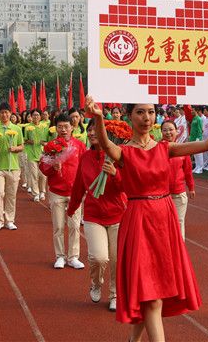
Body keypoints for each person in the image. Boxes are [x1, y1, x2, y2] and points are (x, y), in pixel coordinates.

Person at [84, 95, 208, 342]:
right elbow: (105, 145)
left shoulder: (165, 148)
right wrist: (98, 117)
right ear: (129, 116)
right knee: (151, 295)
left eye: (150, 112)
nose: (146, 118)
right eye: (139, 112)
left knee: (153, 293)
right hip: (138, 221)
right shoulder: (124, 152)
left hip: (164, 220)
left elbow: (207, 145)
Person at [68, 119, 126, 312]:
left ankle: (115, 294)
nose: (92, 133)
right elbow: (78, 186)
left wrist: (115, 174)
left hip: (118, 213)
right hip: (93, 214)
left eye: (95, 130)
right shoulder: (84, 158)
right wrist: (72, 208)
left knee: (117, 258)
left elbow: (127, 186)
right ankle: (96, 282)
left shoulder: (117, 155)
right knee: (99, 257)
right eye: (89, 130)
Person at [39, 113, 87, 270]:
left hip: (74, 192)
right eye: (60, 127)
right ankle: (60, 256)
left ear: (72, 127)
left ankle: (73, 257)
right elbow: (43, 167)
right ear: (56, 128)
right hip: (56, 191)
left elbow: (86, 166)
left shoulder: (79, 146)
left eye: (66, 126)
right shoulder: (50, 146)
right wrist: (52, 167)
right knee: (58, 226)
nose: (63, 129)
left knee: (74, 226)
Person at [0, 103, 24, 231]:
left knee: (11, 194)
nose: (4, 115)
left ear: (10, 113)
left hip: (13, 167)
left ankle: (9, 220)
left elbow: (21, 146)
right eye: (2, 112)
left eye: (7, 112)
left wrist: (15, 148)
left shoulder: (16, 129)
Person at [161, 120, 195, 239]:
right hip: (161, 196)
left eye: (171, 129)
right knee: (162, 224)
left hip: (178, 195)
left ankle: (180, 251)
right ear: (161, 132)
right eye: (165, 130)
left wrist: (191, 188)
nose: (168, 132)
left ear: (176, 131)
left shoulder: (182, 149)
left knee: (178, 222)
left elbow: (188, 171)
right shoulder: (156, 149)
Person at [25, 109, 47, 202]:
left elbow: (47, 140)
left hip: (42, 153)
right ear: (31, 116)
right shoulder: (27, 127)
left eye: (37, 115)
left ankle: (42, 191)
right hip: (31, 153)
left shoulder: (44, 127)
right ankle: (36, 193)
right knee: (34, 174)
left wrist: (44, 143)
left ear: (40, 116)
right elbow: (25, 140)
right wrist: (30, 141)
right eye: (34, 115)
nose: (36, 117)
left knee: (42, 175)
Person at [189, 106, 204, 174]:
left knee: (199, 154)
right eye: (191, 110)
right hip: (193, 138)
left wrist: (198, 138)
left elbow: (200, 130)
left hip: (197, 139)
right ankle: (197, 167)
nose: (191, 111)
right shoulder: (194, 118)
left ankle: (200, 168)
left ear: (196, 111)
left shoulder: (199, 119)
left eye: (193, 110)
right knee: (195, 154)